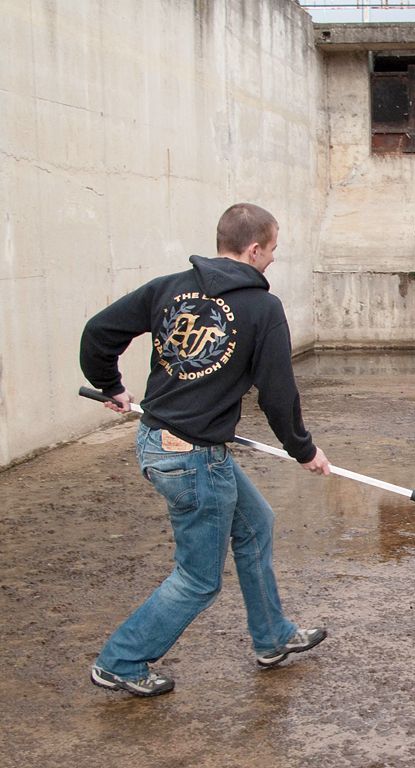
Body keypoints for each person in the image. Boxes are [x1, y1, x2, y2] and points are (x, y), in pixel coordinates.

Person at [80, 203, 331, 697]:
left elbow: (98, 333)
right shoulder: (262, 308)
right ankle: (121, 661)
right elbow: (278, 395)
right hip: (193, 459)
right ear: (254, 249)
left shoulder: (169, 287)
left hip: (162, 441)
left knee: (256, 525)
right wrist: (303, 450)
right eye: (273, 249)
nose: (274, 260)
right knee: (198, 579)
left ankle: (272, 636)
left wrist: (108, 383)